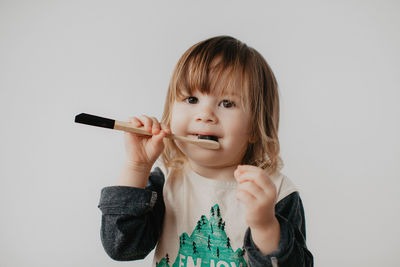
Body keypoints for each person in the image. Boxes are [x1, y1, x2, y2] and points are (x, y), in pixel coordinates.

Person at [98, 36, 313, 267]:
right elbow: (122, 247)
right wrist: (137, 167)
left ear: (254, 126)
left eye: (227, 103)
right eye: (191, 99)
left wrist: (265, 226)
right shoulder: (165, 181)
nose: (205, 114)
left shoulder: (276, 192)